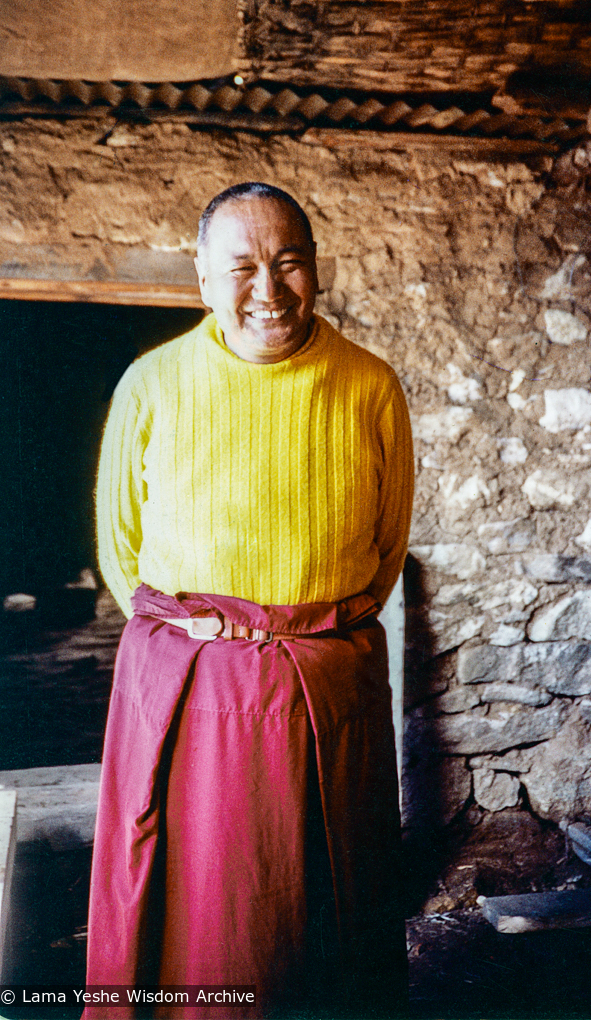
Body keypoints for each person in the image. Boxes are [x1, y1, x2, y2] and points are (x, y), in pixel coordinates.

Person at [84, 182, 414, 1019]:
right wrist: (215, 640)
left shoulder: (370, 387)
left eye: (288, 264)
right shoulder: (151, 384)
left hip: (326, 681)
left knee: (328, 908)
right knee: (200, 913)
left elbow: (385, 546)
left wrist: (304, 632)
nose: (267, 291)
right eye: (241, 268)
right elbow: (121, 551)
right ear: (201, 281)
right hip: (191, 682)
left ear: (317, 271)